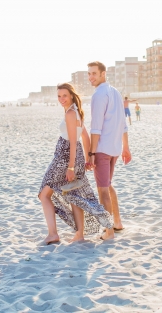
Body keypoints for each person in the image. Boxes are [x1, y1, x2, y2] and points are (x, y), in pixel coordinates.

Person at [38, 83, 113, 244]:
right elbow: (84, 138)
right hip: (74, 156)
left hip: (64, 158)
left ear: (71, 95)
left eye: (64, 95)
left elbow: (73, 142)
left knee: (44, 194)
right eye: (59, 96)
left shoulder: (71, 113)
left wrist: (71, 166)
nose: (61, 99)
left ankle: (53, 234)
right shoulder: (76, 112)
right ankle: (79, 233)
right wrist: (87, 158)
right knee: (74, 194)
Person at [87, 61, 132, 241]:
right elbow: (123, 124)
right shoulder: (115, 92)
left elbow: (95, 128)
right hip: (114, 149)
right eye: (89, 74)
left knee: (103, 190)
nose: (91, 77)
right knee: (108, 184)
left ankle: (108, 232)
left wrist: (91, 153)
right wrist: (125, 147)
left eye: (94, 74)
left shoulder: (99, 95)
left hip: (102, 150)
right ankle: (117, 222)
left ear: (103, 74)